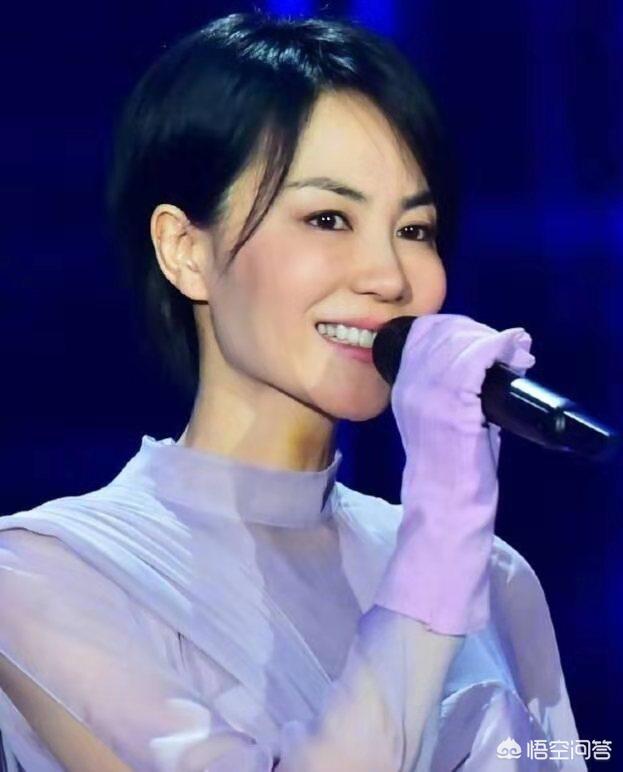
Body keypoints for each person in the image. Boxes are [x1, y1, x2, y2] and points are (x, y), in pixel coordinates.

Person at [0, 11, 584, 771]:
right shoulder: (47, 577)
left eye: (414, 230)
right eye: (328, 218)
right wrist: (442, 534)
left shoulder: (494, 578)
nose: (389, 277)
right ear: (185, 250)